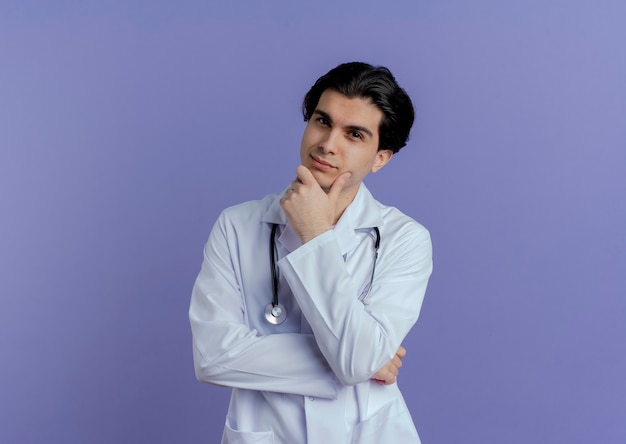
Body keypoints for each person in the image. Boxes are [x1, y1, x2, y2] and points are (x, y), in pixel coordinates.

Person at [189, 61, 433, 443]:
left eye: (354, 134)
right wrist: (365, 360)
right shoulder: (237, 226)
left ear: (380, 158)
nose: (327, 144)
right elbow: (212, 358)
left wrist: (315, 234)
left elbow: (357, 361)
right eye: (322, 121)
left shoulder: (405, 239)